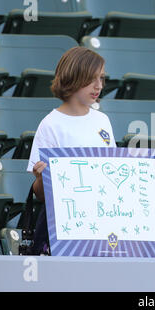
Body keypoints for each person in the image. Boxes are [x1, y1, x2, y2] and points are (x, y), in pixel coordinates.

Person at [27, 46, 116, 254]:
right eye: (91, 79)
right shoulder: (50, 124)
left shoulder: (103, 120)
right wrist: (41, 178)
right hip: (63, 224)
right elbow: (40, 194)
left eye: (101, 78)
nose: (98, 86)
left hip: (100, 220)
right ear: (72, 78)